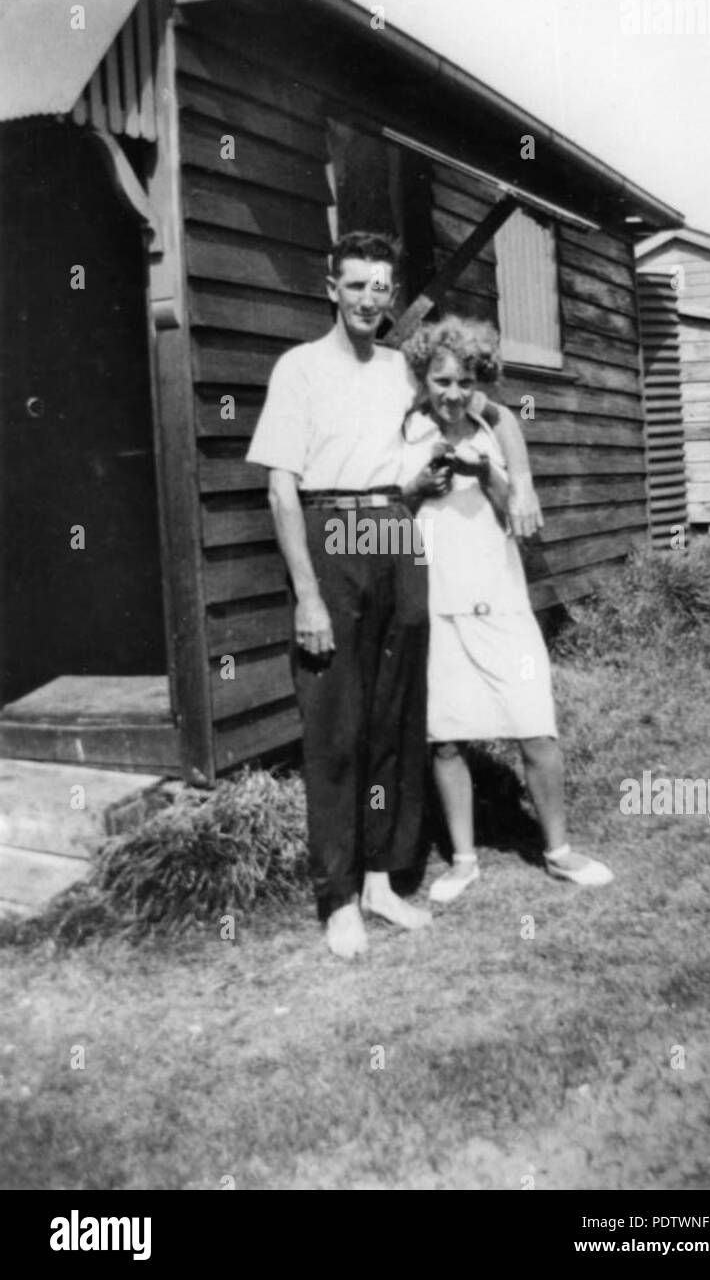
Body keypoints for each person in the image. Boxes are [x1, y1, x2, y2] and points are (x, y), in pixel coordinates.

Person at [245, 232, 432, 959]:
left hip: (393, 527)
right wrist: (307, 597)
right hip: (331, 530)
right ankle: (339, 897)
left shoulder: (399, 369)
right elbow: (280, 487)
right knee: (335, 724)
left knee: (393, 712)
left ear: (390, 295)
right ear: (332, 289)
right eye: (354, 286)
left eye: (379, 288)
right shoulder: (298, 369)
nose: (367, 299)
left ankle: (384, 879)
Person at [400, 314, 614, 901]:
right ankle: (464, 859)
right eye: (441, 380)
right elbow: (394, 508)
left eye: (465, 381)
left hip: (500, 603)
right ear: (423, 379)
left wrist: (486, 470)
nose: (452, 393)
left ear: (482, 381)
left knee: (535, 730)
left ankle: (559, 849)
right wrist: (420, 486)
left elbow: (518, 518)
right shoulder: (407, 431)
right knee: (445, 739)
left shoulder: (497, 429)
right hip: (439, 603)